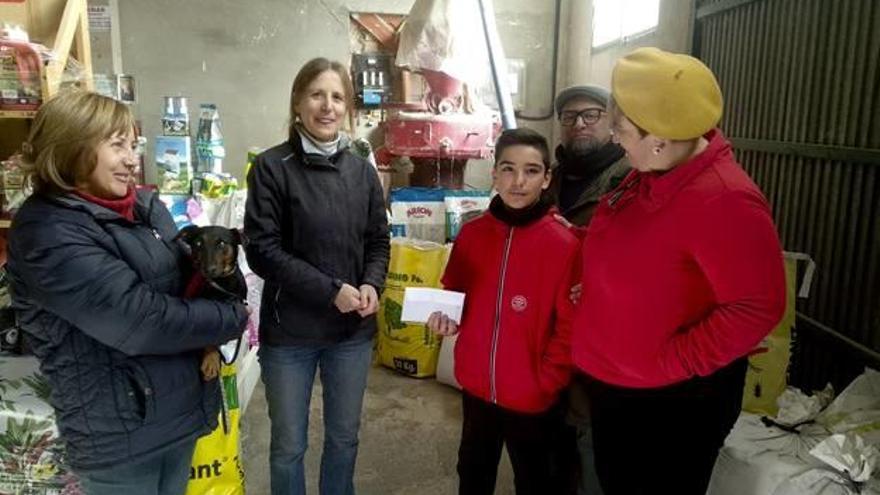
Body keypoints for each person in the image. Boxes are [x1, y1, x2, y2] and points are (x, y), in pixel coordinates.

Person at [6, 90, 248, 495]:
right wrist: (234, 317)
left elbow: (189, 285)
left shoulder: (143, 209)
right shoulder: (48, 232)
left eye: (133, 144)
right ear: (72, 148)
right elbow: (142, 322)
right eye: (117, 145)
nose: (132, 158)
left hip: (176, 415)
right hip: (122, 436)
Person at [570, 47, 787, 495]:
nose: (615, 140)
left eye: (622, 130)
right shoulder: (655, 169)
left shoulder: (724, 201)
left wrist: (670, 361)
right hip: (617, 383)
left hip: (670, 404)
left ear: (660, 139)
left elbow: (756, 307)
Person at [244, 57, 390, 495]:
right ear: (297, 102)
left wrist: (371, 284)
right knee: (288, 445)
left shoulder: (361, 170)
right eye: (317, 95)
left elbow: (378, 241)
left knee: (344, 438)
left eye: (337, 97)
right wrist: (331, 292)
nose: (327, 106)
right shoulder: (272, 167)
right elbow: (262, 251)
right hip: (291, 335)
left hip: (351, 334)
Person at [427, 127, 580, 495]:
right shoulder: (472, 234)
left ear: (547, 179)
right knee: (473, 473)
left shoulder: (564, 244)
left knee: (536, 480)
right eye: (508, 169)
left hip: (534, 397)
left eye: (531, 171)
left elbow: (570, 327)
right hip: (477, 387)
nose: (518, 181)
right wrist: (446, 321)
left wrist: (546, 382)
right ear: (494, 174)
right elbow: (455, 296)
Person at [547, 84, 629, 495]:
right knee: (553, 435)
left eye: (591, 115)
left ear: (612, 123)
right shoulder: (550, 179)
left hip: (604, 337)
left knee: (592, 442)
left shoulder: (630, 179)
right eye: (569, 116)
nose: (579, 124)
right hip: (550, 329)